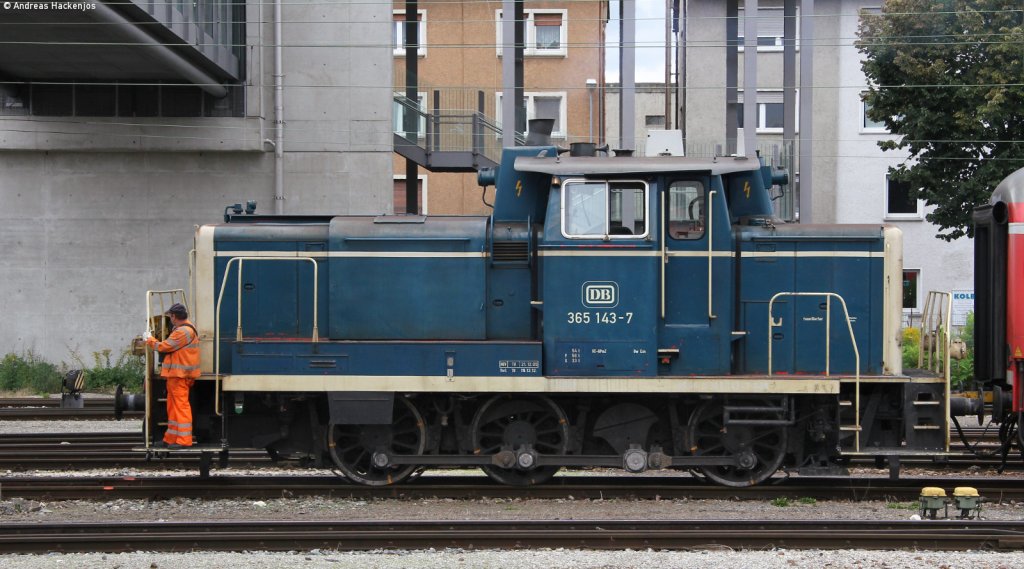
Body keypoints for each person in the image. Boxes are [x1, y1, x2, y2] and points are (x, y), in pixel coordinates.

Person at [144, 302, 200, 449]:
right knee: (173, 407)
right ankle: (171, 438)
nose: (170, 319)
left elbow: (164, 347)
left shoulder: (183, 331)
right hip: (177, 376)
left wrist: (149, 340)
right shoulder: (184, 329)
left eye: (170, 316)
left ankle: (184, 440)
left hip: (180, 376)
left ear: (174, 317)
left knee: (180, 407)